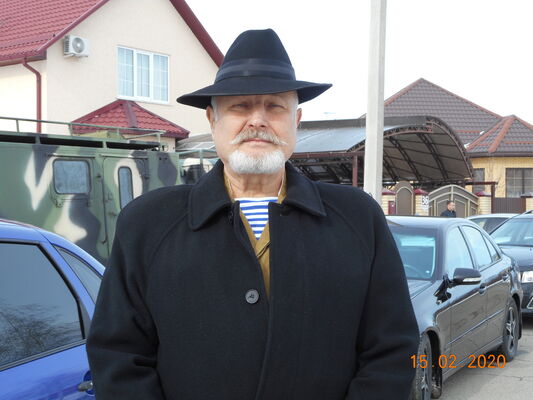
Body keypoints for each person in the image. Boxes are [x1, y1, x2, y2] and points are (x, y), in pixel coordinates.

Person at [87, 29, 419, 400]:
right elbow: (119, 355)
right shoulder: (148, 224)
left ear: (296, 120)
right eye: (240, 107)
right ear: (212, 119)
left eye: (275, 107)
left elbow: (392, 349)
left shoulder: (357, 219)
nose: (257, 120)